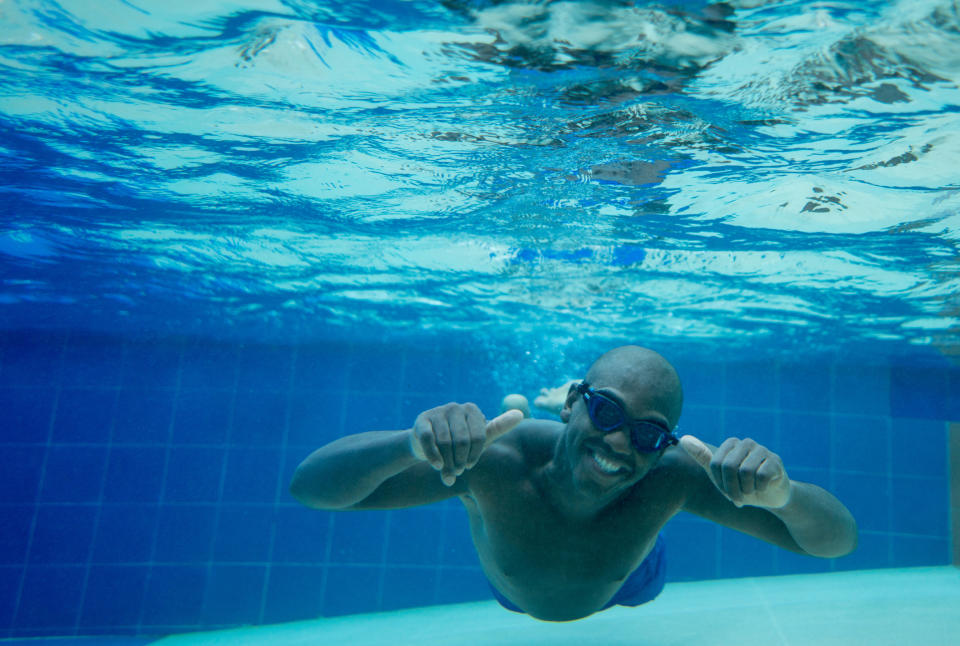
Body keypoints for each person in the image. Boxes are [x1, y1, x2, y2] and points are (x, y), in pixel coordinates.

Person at [289, 346, 857, 622]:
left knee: (640, 547)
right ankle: (526, 406)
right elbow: (311, 488)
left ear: (665, 443)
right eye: (606, 413)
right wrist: (408, 445)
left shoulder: (671, 477)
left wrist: (782, 493)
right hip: (514, 591)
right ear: (574, 404)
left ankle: (534, 403)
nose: (619, 443)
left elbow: (835, 541)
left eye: (648, 434)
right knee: (511, 432)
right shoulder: (491, 463)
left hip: (630, 581)